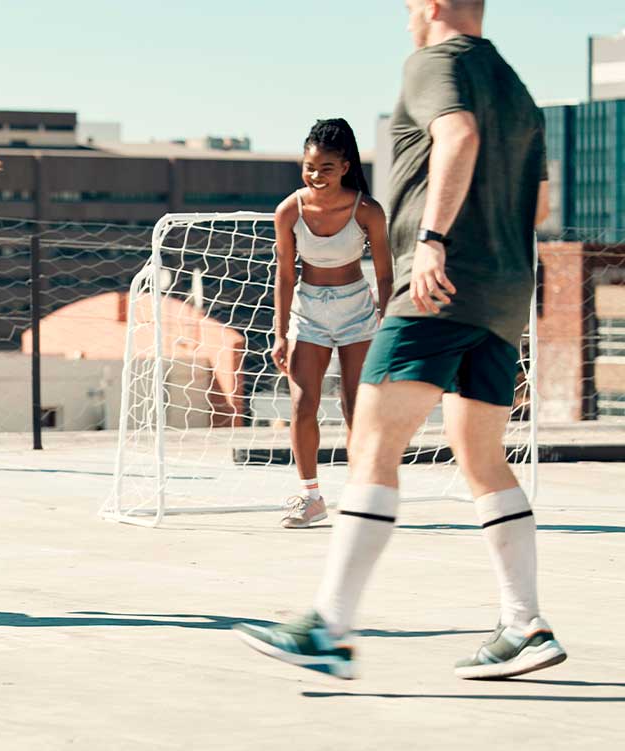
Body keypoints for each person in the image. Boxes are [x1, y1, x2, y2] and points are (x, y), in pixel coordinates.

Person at [235, 0, 564, 680]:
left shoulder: (433, 63)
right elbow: (541, 207)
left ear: (434, 5)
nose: (405, 18)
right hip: (503, 295)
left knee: (372, 443)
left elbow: (459, 135)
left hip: (436, 287)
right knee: (481, 457)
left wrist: (438, 239)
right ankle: (524, 623)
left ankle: (328, 625)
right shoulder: (517, 86)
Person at [272, 119, 392, 529]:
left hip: (357, 311)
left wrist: (388, 322)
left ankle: (363, 497)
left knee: (357, 408)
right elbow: (286, 276)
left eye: (326, 168)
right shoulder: (289, 211)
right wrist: (280, 333)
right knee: (303, 405)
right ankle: (311, 498)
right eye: (309, 167)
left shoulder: (368, 211)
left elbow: (386, 275)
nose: (316, 176)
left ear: (344, 166)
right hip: (308, 315)